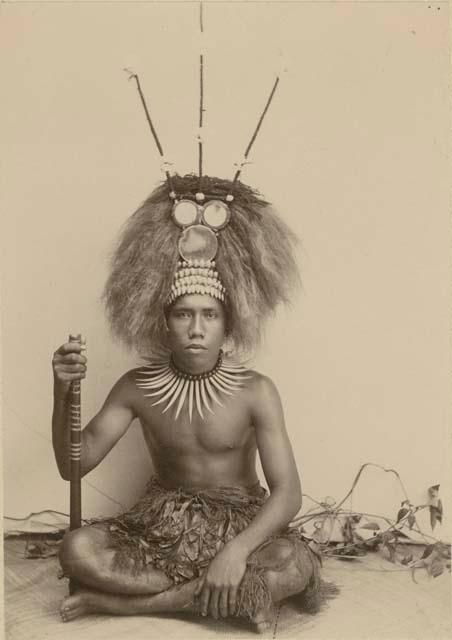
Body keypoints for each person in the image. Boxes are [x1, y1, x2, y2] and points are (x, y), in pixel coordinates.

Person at [52, 174, 323, 632]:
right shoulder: (136, 386)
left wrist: (235, 552)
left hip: (242, 525)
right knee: (76, 550)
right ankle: (214, 597)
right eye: (183, 314)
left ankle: (130, 605)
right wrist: (62, 395)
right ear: (165, 323)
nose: (196, 328)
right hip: (161, 531)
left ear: (226, 325)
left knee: (294, 562)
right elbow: (73, 466)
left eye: (209, 315)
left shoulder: (257, 389)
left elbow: (288, 493)